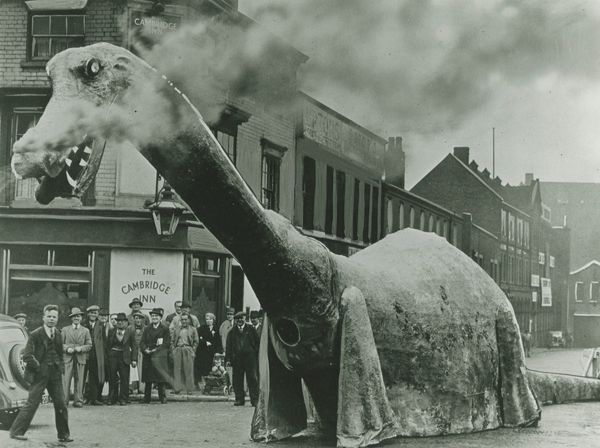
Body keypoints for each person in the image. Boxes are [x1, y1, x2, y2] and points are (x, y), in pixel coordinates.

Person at [9, 304, 72, 442]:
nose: (51, 319)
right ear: (43, 318)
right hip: (39, 374)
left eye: (54, 317)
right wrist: (38, 367)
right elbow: (27, 355)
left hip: (55, 374)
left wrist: (60, 367)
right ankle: (16, 431)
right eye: (49, 316)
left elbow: (60, 354)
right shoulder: (35, 334)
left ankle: (63, 435)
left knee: (61, 403)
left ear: (57, 318)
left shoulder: (59, 334)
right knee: (32, 403)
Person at [225, 311, 259, 407]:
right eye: (238, 319)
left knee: (252, 378)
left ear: (245, 319)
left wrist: (254, 354)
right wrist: (228, 359)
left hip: (250, 358)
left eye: (242, 318)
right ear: (236, 320)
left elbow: (257, 343)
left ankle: (254, 400)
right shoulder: (232, 332)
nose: (240, 320)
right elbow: (228, 347)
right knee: (237, 379)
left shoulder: (251, 329)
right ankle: (239, 399)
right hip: (237, 359)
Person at [62, 307, 92, 408]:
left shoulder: (85, 330)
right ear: (71, 318)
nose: (76, 318)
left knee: (80, 380)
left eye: (78, 316)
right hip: (68, 358)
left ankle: (78, 400)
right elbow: (60, 344)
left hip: (80, 358)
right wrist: (67, 349)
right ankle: (64, 401)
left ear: (81, 318)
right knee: (66, 380)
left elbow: (89, 345)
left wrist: (81, 348)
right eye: (74, 316)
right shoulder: (65, 329)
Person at [140, 308, 171, 403]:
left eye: (156, 316)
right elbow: (142, 342)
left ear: (160, 318)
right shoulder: (147, 329)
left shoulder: (165, 329)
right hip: (148, 356)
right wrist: (145, 349)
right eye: (152, 316)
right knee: (148, 379)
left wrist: (156, 350)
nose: (154, 318)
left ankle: (162, 397)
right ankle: (147, 398)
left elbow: (166, 343)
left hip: (159, 356)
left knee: (160, 378)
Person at [106, 313, 137, 405]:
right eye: (118, 321)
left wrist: (134, 359)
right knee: (112, 378)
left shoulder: (130, 332)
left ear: (126, 322)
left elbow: (134, 346)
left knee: (124, 378)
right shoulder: (112, 331)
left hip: (125, 357)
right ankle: (112, 398)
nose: (120, 323)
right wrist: (108, 356)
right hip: (113, 357)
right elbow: (108, 345)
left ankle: (123, 398)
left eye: (122, 321)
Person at [85, 306, 108, 405]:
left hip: (96, 355)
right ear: (88, 314)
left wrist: (104, 354)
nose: (93, 315)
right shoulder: (84, 325)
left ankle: (94, 398)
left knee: (94, 376)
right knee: (85, 376)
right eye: (92, 313)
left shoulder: (100, 326)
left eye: (95, 313)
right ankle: (85, 397)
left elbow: (104, 341)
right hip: (85, 353)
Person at [170, 312, 198, 394]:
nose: (184, 321)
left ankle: (189, 389)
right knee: (177, 370)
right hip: (178, 349)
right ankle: (177, 388)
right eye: (182, 319)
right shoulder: (177, 329)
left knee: (188, 370)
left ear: (189, 320)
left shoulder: (193, 329)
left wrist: (193, 350)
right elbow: (172, 341)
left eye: (186, 319)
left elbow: (196, 341)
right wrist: (173, 350)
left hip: (188, 349)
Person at [196, 312, 222, 385]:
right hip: (203, 352)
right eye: (207, 319)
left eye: (210, 319)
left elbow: (218, 341)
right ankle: (203, 383)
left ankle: (211, 383)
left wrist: (219, 351)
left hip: (212, 351)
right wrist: (205, 342)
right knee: (203, 368)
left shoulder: (216, 328)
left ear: (213, 320)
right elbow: (198, 339)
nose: (208, 321)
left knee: (213, 368)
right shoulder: (202, 328)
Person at [129, 311, 146, 394]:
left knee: (141, 369)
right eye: (136, 318)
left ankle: (141, 388)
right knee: (132, 369)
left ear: (143, 320)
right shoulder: (129, 328)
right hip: (132, 351)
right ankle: (131, 388)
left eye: (140, 318)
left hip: (142, 351)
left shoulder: (146, 329)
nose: (138, 320)